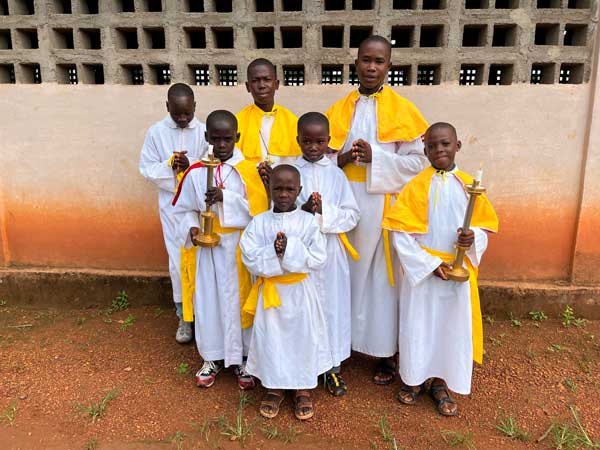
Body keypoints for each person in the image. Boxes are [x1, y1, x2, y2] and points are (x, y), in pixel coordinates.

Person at [325, 35, 429, 384]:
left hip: (383, 205)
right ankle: (339, 347)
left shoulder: (403, 110)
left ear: (389, 66)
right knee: (343, 275)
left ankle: (385, 352)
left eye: (379, 61)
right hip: (345, 203)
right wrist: (342, 159)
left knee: (383, 281)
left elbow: (419, 163)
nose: (371, 67)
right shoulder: (339, 110)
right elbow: (320, 158)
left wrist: (378, 158)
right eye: (366, 60)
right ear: (355, 63)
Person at [382, 122, 498, 416]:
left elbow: (483, 228)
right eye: (432, 146)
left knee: (450, 328)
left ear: (457, 146)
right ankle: (413, 379)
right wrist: (429, 264)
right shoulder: (415, 187)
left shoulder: (470, 187)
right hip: (424, 271)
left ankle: (441, 383)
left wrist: (473, 238)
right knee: (418, 326)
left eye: (445, 144)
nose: (439, 150)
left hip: (457, 271)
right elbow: (400, 235)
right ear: (425, 150)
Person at [172, 110, 268, 389]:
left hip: (237, 247)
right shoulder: (195, 172)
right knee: (209, 300)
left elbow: (258, 211)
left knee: (240, 301)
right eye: (216, 139)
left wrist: (226, 197)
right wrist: (192, 228)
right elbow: (183, 210)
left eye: (227, 139)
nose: (222, 144)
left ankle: (243, 359)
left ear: (237, 137)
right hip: (208, 249)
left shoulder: (248, 171)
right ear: (207, 137)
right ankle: (211, 357)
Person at [239, 164, 331, 420]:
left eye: (289, 189)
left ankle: (303, 388)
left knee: (302, 338)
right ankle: (274, 387)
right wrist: (274, 251)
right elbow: (249, 256)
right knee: (273, 340)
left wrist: (290, 249)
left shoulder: (308, 222)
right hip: (272, 294)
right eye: (277, 188)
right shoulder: (259, 222)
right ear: (268, 188)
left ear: (299, 191)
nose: (283, 194)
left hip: (300, 292)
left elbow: (318, 257)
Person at [294, 112, 360, 396]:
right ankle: (304, 366)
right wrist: (303, 211)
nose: (313, 147)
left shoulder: (336, 174)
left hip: (331, 252)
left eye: (319, 141)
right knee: (303, 309)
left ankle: (332, 367)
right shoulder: (290, 171)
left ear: (329, 141)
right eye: (307, 141)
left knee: (332, 308)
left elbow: (352, 215)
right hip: (301, 253)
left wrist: (324, 212)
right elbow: (278, 209)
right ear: (298, 140)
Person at [139, 83, 208, 344]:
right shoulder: (156, 133)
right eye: (177, 113)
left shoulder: (204, 131)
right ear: (167, 107)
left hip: (200, 205)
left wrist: (191, 166)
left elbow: (213, 164)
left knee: (203, 261)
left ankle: (205, 317)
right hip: (172, 206)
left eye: (187, 113)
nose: (182, 118)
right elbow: (147, 168)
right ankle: (184, 317)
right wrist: (171, 166)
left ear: (195, 107)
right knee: (178, 262)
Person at [236, 58, 301, 189]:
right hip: (248, 188)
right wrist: (255, 172)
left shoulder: (292, 121)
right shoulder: (238, 121)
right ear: (248, 87)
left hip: (283, 190)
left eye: (267, 79)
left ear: (276, 84)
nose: (262, 85)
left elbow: (298, 162)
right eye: (255, 80)